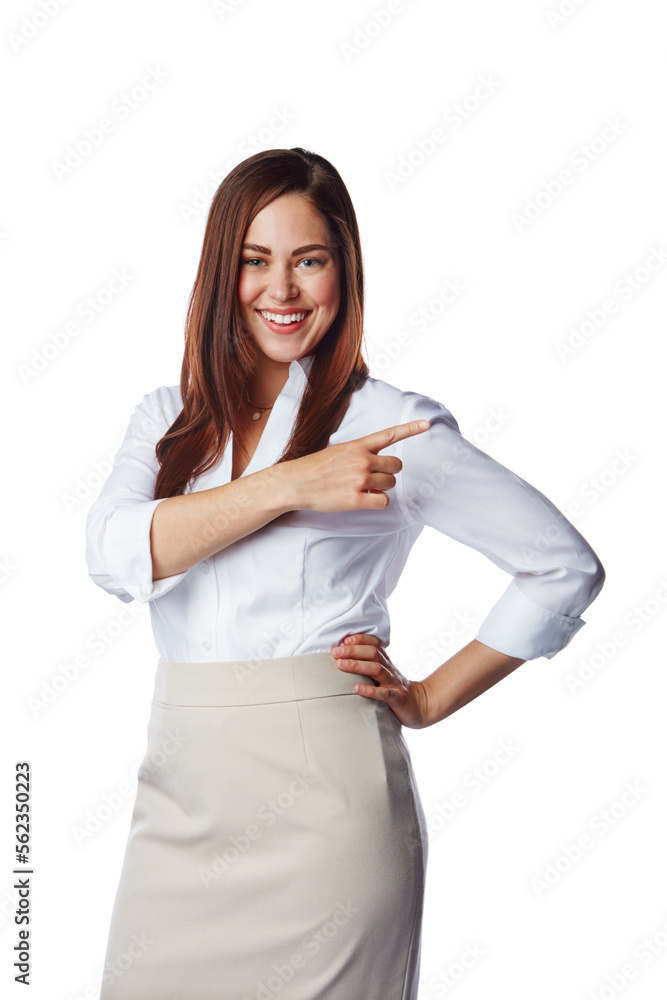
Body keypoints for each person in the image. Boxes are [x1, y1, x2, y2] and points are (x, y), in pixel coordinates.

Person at [85, 147, 605, 999]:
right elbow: (113, 558)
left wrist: (431, 698)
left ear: (344, 270)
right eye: (255, 261)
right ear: (223, 272)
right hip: (176, 795)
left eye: (309, 260)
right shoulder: (168, 419)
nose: (281, 290)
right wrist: (292, 482)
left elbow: (561, 567)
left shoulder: (392, 428)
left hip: (328, 807)